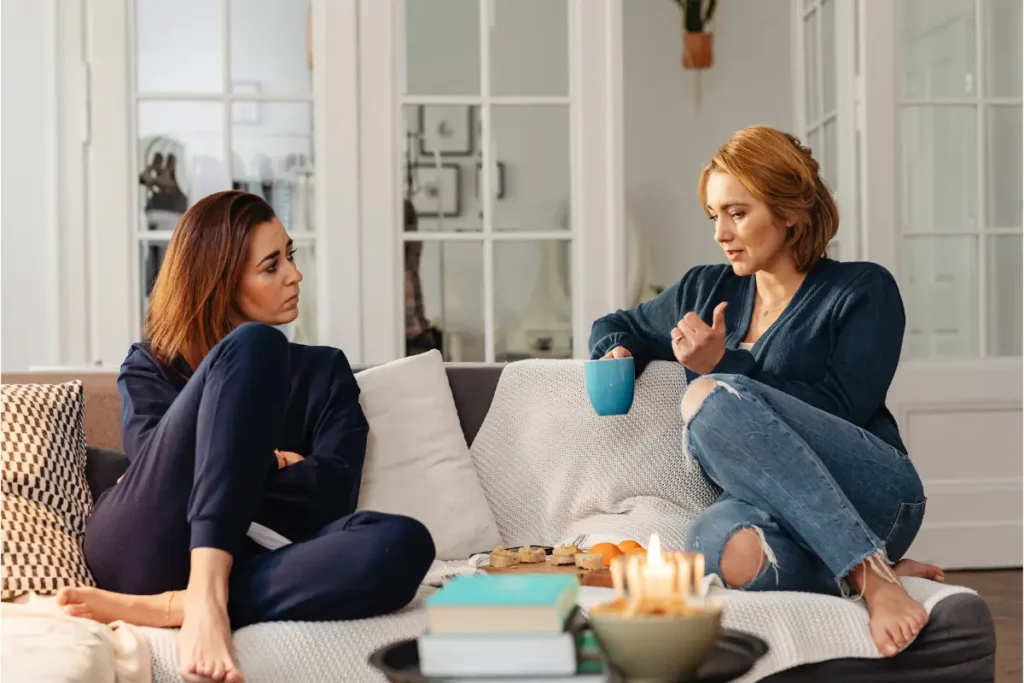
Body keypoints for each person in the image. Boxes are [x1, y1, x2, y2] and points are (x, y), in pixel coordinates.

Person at [589, 126, 945, 658]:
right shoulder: (705, 288)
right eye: (714, 216)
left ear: (788, 212)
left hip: (872, 492)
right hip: (769, 508)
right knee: (715, 547)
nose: (721, 233)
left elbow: (842, 410)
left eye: (737, 213)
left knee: (707, 397)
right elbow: (616, 324)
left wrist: (723, 367)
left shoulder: (863, 289)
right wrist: (616, 350)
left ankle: (874, 577)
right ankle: (864, 569)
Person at [56, 191, 435, 683]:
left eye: (290, 256)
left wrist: (227, 465)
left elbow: (331, 494)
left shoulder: (325, 370)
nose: (295, 275)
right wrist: (271, 461)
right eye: (271, 266)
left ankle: (183, 603)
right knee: (257, 344)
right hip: (145, 544)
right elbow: (162, 474)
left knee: (403, 543)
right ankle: (206, 595)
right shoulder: (152, 364)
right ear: (220, 281)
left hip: (253, 559)